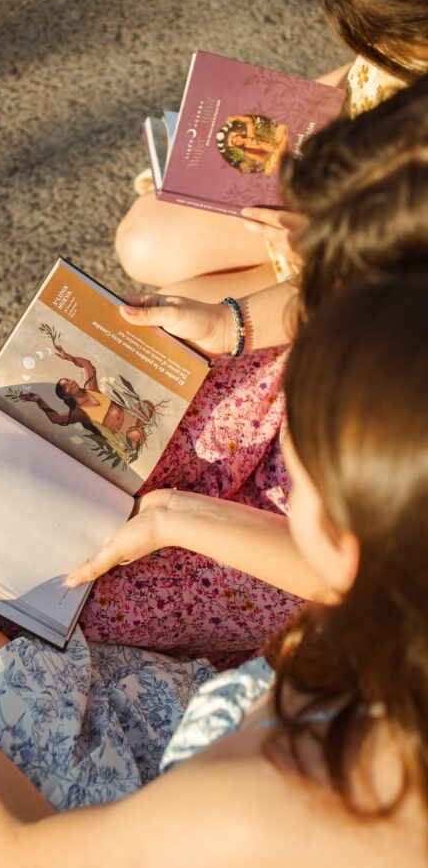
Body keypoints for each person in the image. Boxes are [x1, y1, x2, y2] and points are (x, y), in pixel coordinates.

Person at [0, 279, 427, 867]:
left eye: (303, 488)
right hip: (195, 722)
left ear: (351, 550)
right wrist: (171, 512)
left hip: (138, 813)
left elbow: (28, 849)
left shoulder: (286, 785)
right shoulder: (390, 644)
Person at [72, 75, 428, 668]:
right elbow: (324, 290)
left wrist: (177, 518)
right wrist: (227, 325)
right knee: (104, 441)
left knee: (82, 599)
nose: (287, 246)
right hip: (289, 407)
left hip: (296, 547)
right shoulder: (385, 278)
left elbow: (346, 578)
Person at [115, 0, 428, 301]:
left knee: (168, 305)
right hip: (309, 180)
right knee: (141, 243)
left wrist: (319, 242)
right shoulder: (404, 26)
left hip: (349, 243)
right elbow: (361, 74)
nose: (376, 49)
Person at [20, 342, 154, 456]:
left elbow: (88, 365)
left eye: (67, 379)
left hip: (128, 418)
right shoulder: (78, 412)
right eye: (65, 385)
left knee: (147, 406)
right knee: (137, 434)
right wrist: (39, 400)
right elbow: (56, 418)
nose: (70, 382)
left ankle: (137, 430)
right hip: (120, 435)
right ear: (66, 396)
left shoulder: (91, 388)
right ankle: (134, 435)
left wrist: (68, 357)